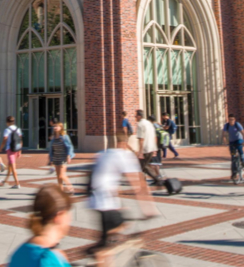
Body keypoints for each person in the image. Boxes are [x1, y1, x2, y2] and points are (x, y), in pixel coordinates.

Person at [87, 132, 158, 267]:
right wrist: (149, 210)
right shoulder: (124, 155)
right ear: (125, 144)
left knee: (109, 240)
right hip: (106, 204)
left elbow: (101, 179)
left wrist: (119, 205)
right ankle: (99, 252)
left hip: (96, 202)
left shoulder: (104, 154)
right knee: (119, 233)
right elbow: (138, 185)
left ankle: (100, 253)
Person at [9, 185, 74, 267]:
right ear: (59, 216)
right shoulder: (51, 259)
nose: (70, 221)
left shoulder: (19, 253)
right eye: (68, 215)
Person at [134, 110, 161, 186]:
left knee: (143, 166)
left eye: (136, 116)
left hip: (145, 149)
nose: (135, 117)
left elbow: (141, 139)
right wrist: (155, 148)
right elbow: (154, 137)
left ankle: (156, 178)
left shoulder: (140, 124)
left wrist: (140, 151)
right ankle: (152, 180)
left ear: (139, 116)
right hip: (151, 147)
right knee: (144, 166)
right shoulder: (149, 123)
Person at [48, 122, 75, 193]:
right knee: (58, 176)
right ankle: (61, 191)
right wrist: (51, 159)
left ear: (61, 128)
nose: (55, 127)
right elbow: (51, 149)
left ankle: (70, 188)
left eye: (57, 126)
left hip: (63, 158)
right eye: (54, 126)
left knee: (61, 175)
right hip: (56, 158)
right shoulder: (53, 138)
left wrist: (69, 155)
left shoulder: (64, 137)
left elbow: (70, 147)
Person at [1, 116, 23, 189]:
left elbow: (5, 139)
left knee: (13, 167)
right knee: (10, 165)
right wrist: (20, 150)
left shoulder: (7, 130)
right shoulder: (18, 129)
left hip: (10, 149)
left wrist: (1, 148)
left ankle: (17, 183)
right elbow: (20, 140)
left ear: (7, 122)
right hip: (16, 149)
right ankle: (5, 180)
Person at [222, 114, 244, 182]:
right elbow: (223, 135)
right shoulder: (226, 125)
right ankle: (234, 174)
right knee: (233, 158)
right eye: (230, 119)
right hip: (232, 142)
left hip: (239, 140)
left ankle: (243, 160)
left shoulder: (237, 124)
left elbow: (243, 133)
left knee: (240, 149)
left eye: (232, 119)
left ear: (234, 120)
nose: (231, 121)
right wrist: (225, 142)